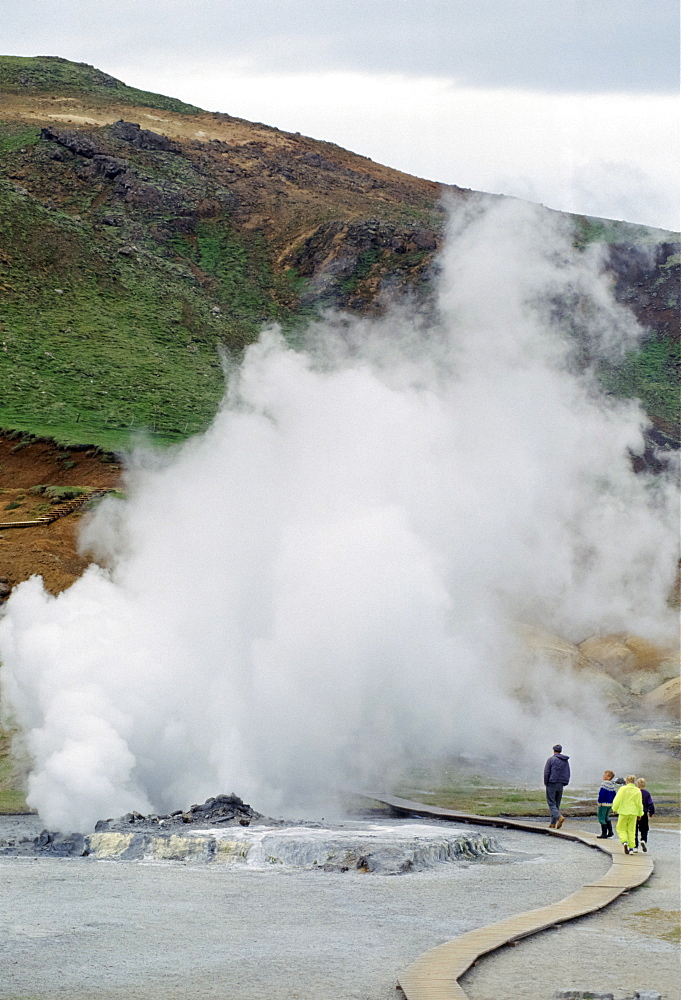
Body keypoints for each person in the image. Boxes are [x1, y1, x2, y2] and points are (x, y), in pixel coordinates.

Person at [611, 775, 643, 854]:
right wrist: (640, 814)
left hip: (623, 812)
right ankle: (631, 848)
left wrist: (614, 809)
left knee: (621, 828)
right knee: (631, 830)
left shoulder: (622, 789)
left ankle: (624, 841)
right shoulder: (637, 790)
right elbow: (639, 804)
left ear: (626, 781)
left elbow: (617, 800)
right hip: (633, 813)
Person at [544, 744, 570, 829]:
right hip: (561, 784)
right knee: (557, 803)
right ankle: (553, 823)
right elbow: (568, 772)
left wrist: (546, 782)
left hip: (552, 783)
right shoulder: (565, 761)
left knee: (551, 803)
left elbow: (547, 772)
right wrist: (565, 782)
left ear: (553, 750)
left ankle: (559, 817)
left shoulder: (551, 759)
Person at [635, 777, 655, 852]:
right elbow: (650, 803)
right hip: (644, 813)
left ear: (637, 784)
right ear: (644, 785)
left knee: (634, 829)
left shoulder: (634, 792)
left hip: (635, 813)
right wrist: (651, 812)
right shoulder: (647, 793)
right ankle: (643, 839)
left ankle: (635, 846)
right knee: (644, 828)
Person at [596, 769, 617, 838]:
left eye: (604, 775)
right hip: (610, 804)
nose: (603, 775)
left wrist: (599, 802)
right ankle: (610, 832)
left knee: (601, 818)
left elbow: (601, 794)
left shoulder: (604, 784)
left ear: (608, 777)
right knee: (607, 817)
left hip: (603, 803)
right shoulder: (612, 785)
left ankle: (604, 833)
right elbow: (614, 794)